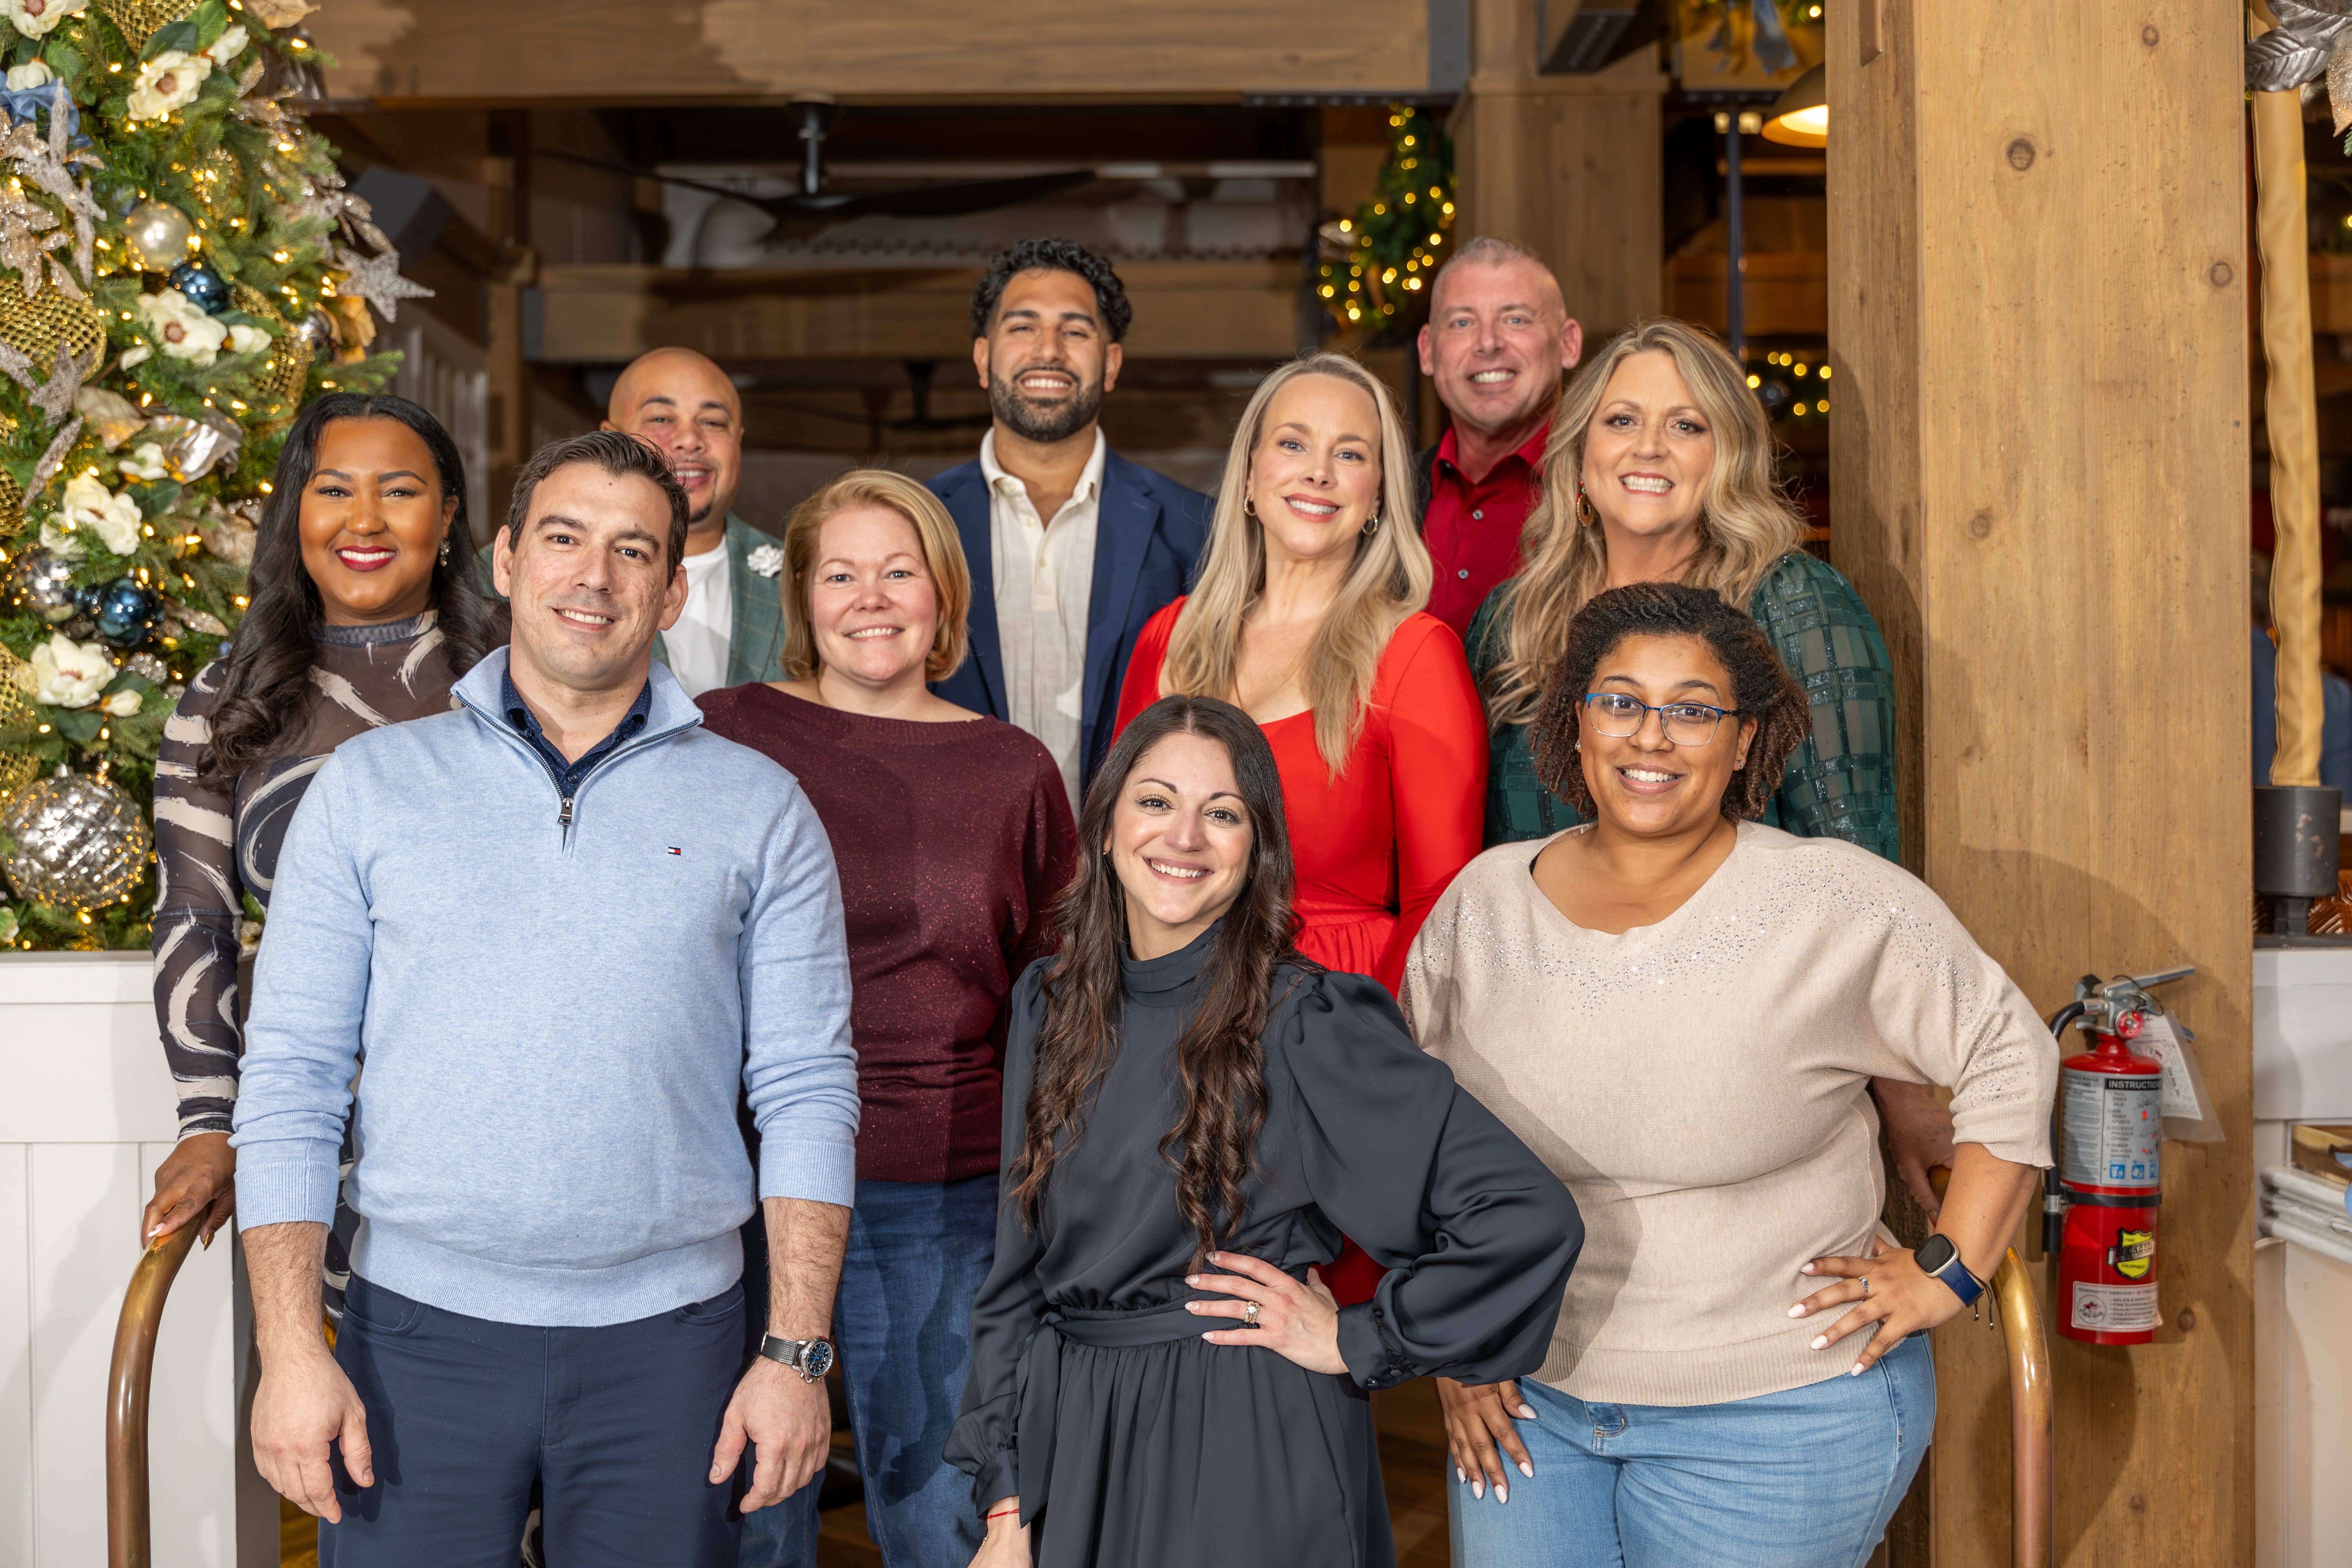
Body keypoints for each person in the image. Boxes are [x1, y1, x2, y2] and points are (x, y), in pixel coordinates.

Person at [230, 430, 859, 1564]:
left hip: (675, 1353)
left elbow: (809, 1090)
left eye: (634, 552)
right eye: (564, 537)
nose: (594, 576)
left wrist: (797, 1352)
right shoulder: (371, 790)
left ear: (672, 592)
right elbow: (291, 1081)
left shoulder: (761, 808)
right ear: (508, 560)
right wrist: (288, 1348)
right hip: (416, 1343)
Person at [1408, 583, 2053, 1568]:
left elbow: (2011, 1049)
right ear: (1575, 721)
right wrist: (1453, 1342)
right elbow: (1417, 1139)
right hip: (1525, 1404)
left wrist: (1950, 1271)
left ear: (1747, 739)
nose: (1650, 736)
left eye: (1694, 710)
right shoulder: (1482, 903)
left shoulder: (1831, 898)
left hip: (1779, 1419)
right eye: (1620, 700)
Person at [947, 695, 1581, 1568]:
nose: (1185, 837)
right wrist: (1006, 1494)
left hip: (1240, 1429)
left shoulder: (1308, 1019)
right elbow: (1016, 1270)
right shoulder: (1050, 1000)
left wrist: (1357, 1337)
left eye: (1223, 814)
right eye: (1157, 801)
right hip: (1077, 1429)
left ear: (1257, 851)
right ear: (1104, 823)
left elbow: (1523, 1214)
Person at [1465, 316, 1955, 1217]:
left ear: (1726, 457)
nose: (1650, 446)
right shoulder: (1512, 621)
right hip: (1548, 1068)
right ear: (1578, 456)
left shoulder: (1793, 604)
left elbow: (1860, 873)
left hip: (1741, 1071)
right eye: (1621, 421)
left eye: (1687, 425)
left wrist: (1905, 1094)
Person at [699, 470, 1078, 1568]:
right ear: (801, 599)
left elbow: (1056, 992)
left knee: (937, 1521)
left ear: (944, 597)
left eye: (900, 571)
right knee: (751, 1522)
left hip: (943, 1197)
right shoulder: (722, 735)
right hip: (745, 1193)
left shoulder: (1010, 768)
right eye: (842, 573)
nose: (872, 598)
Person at [143, 393, 505, 1281]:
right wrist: (206, 1124)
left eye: (401, 490)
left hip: (503, 1121)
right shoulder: (226, 696)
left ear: (450, 511)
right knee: (339, 1405)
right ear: (296, 511)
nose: (366, 520)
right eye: (334, 489)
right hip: (308, 1138)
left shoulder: (514, 680)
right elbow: (195, 919)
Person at [1115, 352, 1486, 998]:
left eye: (1349, 455)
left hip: (1330, 1018)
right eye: (1293, 444)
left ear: (1377, 497)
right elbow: (1117, 852)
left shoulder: (1416, 656)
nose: (1318, 472)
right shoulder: (1167, 637)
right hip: (1168, 1008)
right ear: (1252, 478)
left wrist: (1367, 1049)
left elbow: (1444, 907)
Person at [928, 238, 1212, 812]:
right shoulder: (914, 522)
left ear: (1110, 365)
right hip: (955, 868)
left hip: (1131, 876)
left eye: (1077, 331)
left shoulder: (1197, 530)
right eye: (1023, 327)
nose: (1049, 351)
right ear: (983, 359)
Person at [477, 347, 788, 695]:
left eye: (713, 423)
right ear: (614, 434)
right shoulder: (486, 574)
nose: (689, 440)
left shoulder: (805, 576)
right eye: (661, 419)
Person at [1412, 236, 1583, 640]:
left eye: (1516, 319)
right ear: (1428, 351)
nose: (1488, 343)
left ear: (1569, 344)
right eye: (1462, 323)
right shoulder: (1385, 494)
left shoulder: (1606, 493)